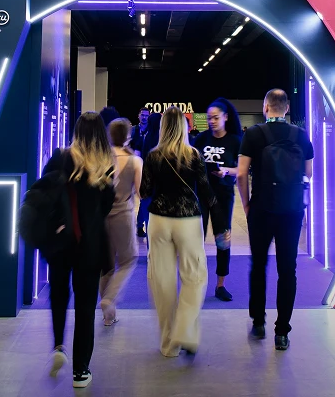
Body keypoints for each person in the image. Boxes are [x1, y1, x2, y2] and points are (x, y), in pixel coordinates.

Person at [140, 106, 229, 358]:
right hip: (188, 220)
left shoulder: (153, 156)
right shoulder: (193, 155)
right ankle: (185, 329)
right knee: (195, 276)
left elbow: (144, 192)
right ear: (184, 127)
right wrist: (221, 225)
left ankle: (168, 345)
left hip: (158, 220)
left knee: (162, 281)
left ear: (162, 128)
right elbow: (206, 191)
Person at [237, 89, 313, 351]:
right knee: (287, 269)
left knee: (258, 265)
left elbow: (241, 174)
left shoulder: (253, 134)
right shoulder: (300, 135)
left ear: (265, 107)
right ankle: (282, 332)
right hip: (291, 211)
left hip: (262, 209)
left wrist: (247, 204)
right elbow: (308, 173)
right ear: (287, 108)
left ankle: (258, 322)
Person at [44, 112, 115, 389]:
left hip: (61, 242)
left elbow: (44, 194)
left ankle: (58, 345)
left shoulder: (60, 158)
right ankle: (80, 371)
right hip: (90, 245)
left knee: (59, 295)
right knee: (85, 307)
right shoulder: (105, 167)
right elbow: (107, 206)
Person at [193, 98, 242, 301]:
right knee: (196, 239)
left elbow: (242, 169)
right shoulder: (201, 139)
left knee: (223, 240)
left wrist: (226, 171)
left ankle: (220, 285)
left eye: (215, 118)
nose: (212, 121)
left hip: (223, 197)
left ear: (225, 117)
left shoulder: (235, 141)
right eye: (209, 118)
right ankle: (195, 282)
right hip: (202, 195)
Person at [100, 118, 142, 326]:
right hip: (123, 215)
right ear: (128, 136)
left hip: (101, 216)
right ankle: (110, 298)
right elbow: (141, 191)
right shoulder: (135, 161)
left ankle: (108, 316)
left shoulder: (100, 157)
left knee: (106, 265)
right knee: (128, 260)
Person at [130, 107, 150, 236]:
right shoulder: (133, 130)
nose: (144, 117)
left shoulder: (151, 131)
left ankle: (139, 225)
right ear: (138, 115)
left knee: (143, 198)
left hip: (146, 168)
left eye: (146, 115)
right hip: (132, 167)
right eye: (142, 115)